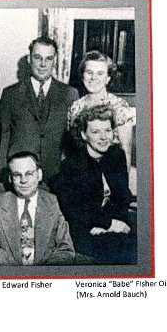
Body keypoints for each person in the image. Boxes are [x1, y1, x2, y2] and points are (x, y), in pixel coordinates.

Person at [50, 105, 136, 265]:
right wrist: (107, 224)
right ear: (83, 135)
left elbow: (122, 196)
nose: (104, 137)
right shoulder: (72, 165)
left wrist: (114, 223)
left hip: (115, 221)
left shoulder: (116, 155)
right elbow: (76, 209)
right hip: (85, 228)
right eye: (95, 132)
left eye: (108, 130)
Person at [0, 37, 79, 176]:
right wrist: (2, 170)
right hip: (20, 173)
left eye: (48, 58)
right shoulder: (10, 94)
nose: (43, 64)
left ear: (55, 60)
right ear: (29, 59)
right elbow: (4, 135)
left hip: (57, 174)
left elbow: (74, 140)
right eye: (38, 58)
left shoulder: (69, 94)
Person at [0, 151, 74, 266]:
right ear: (10, 178)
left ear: (39, 175)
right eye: (17, 175)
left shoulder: (54, 202)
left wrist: (46, 273)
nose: (23, 180)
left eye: (29, 174)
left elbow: (65, 247)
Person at [67, 50, 136, 193]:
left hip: (110, 180)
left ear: (108, 78)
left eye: (100, 73)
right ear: (82, 75)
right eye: (89, 72)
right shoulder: (75, 107)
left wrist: (117, 188)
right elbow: (72, 150)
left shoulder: (119, 107)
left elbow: (126, 153)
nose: (93, 78)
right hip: (81, 180)